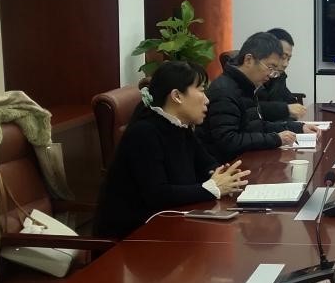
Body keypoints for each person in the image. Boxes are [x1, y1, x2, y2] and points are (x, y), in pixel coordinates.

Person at [94, 60, 250, 239]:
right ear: (177, 96)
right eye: (201, 90)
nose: (207, 100)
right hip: (132, 238)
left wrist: (224, 177)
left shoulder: (180, 126)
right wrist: (212, 187)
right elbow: (158, 195)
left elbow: (207, 164)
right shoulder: (144, 133)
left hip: (170, 226)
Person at [199, 31, 317, 163]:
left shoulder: (247, 86)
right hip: (229, 167)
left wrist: (299, 128)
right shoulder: (224, 91)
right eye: (270, 67)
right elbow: (229, 141)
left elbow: (258, 127)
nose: (271, 75)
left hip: (248, 160)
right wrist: (276, 139)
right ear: (248, 60)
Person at [256, 27, 307, 122]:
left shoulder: (278, 75)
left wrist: (297, 109)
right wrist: (285, 109)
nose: (285, 64)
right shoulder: (251, 76)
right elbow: (252, 109)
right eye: (283, 57)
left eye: (288, 59)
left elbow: (290, 101)